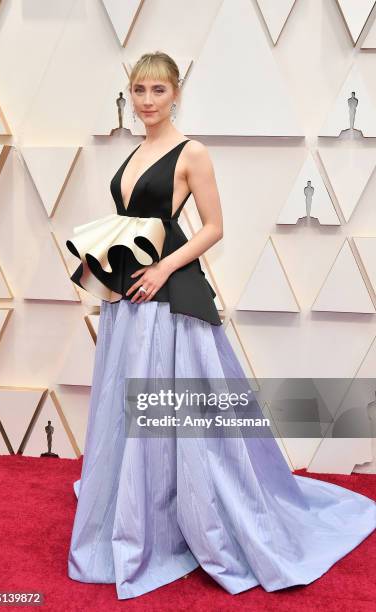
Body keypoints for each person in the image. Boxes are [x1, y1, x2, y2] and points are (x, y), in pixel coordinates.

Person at [65, 51, 376, 600]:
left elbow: (213, 227)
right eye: (139, 90)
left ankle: (184, 510)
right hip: (127, 296)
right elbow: (131, 221)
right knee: (126, 403)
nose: (147, 101)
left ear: (176, 93)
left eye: (157, 91)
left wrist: (163, 269)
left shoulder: (193, 152)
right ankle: (134, 501)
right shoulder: (135, 150)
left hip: (166, 291)